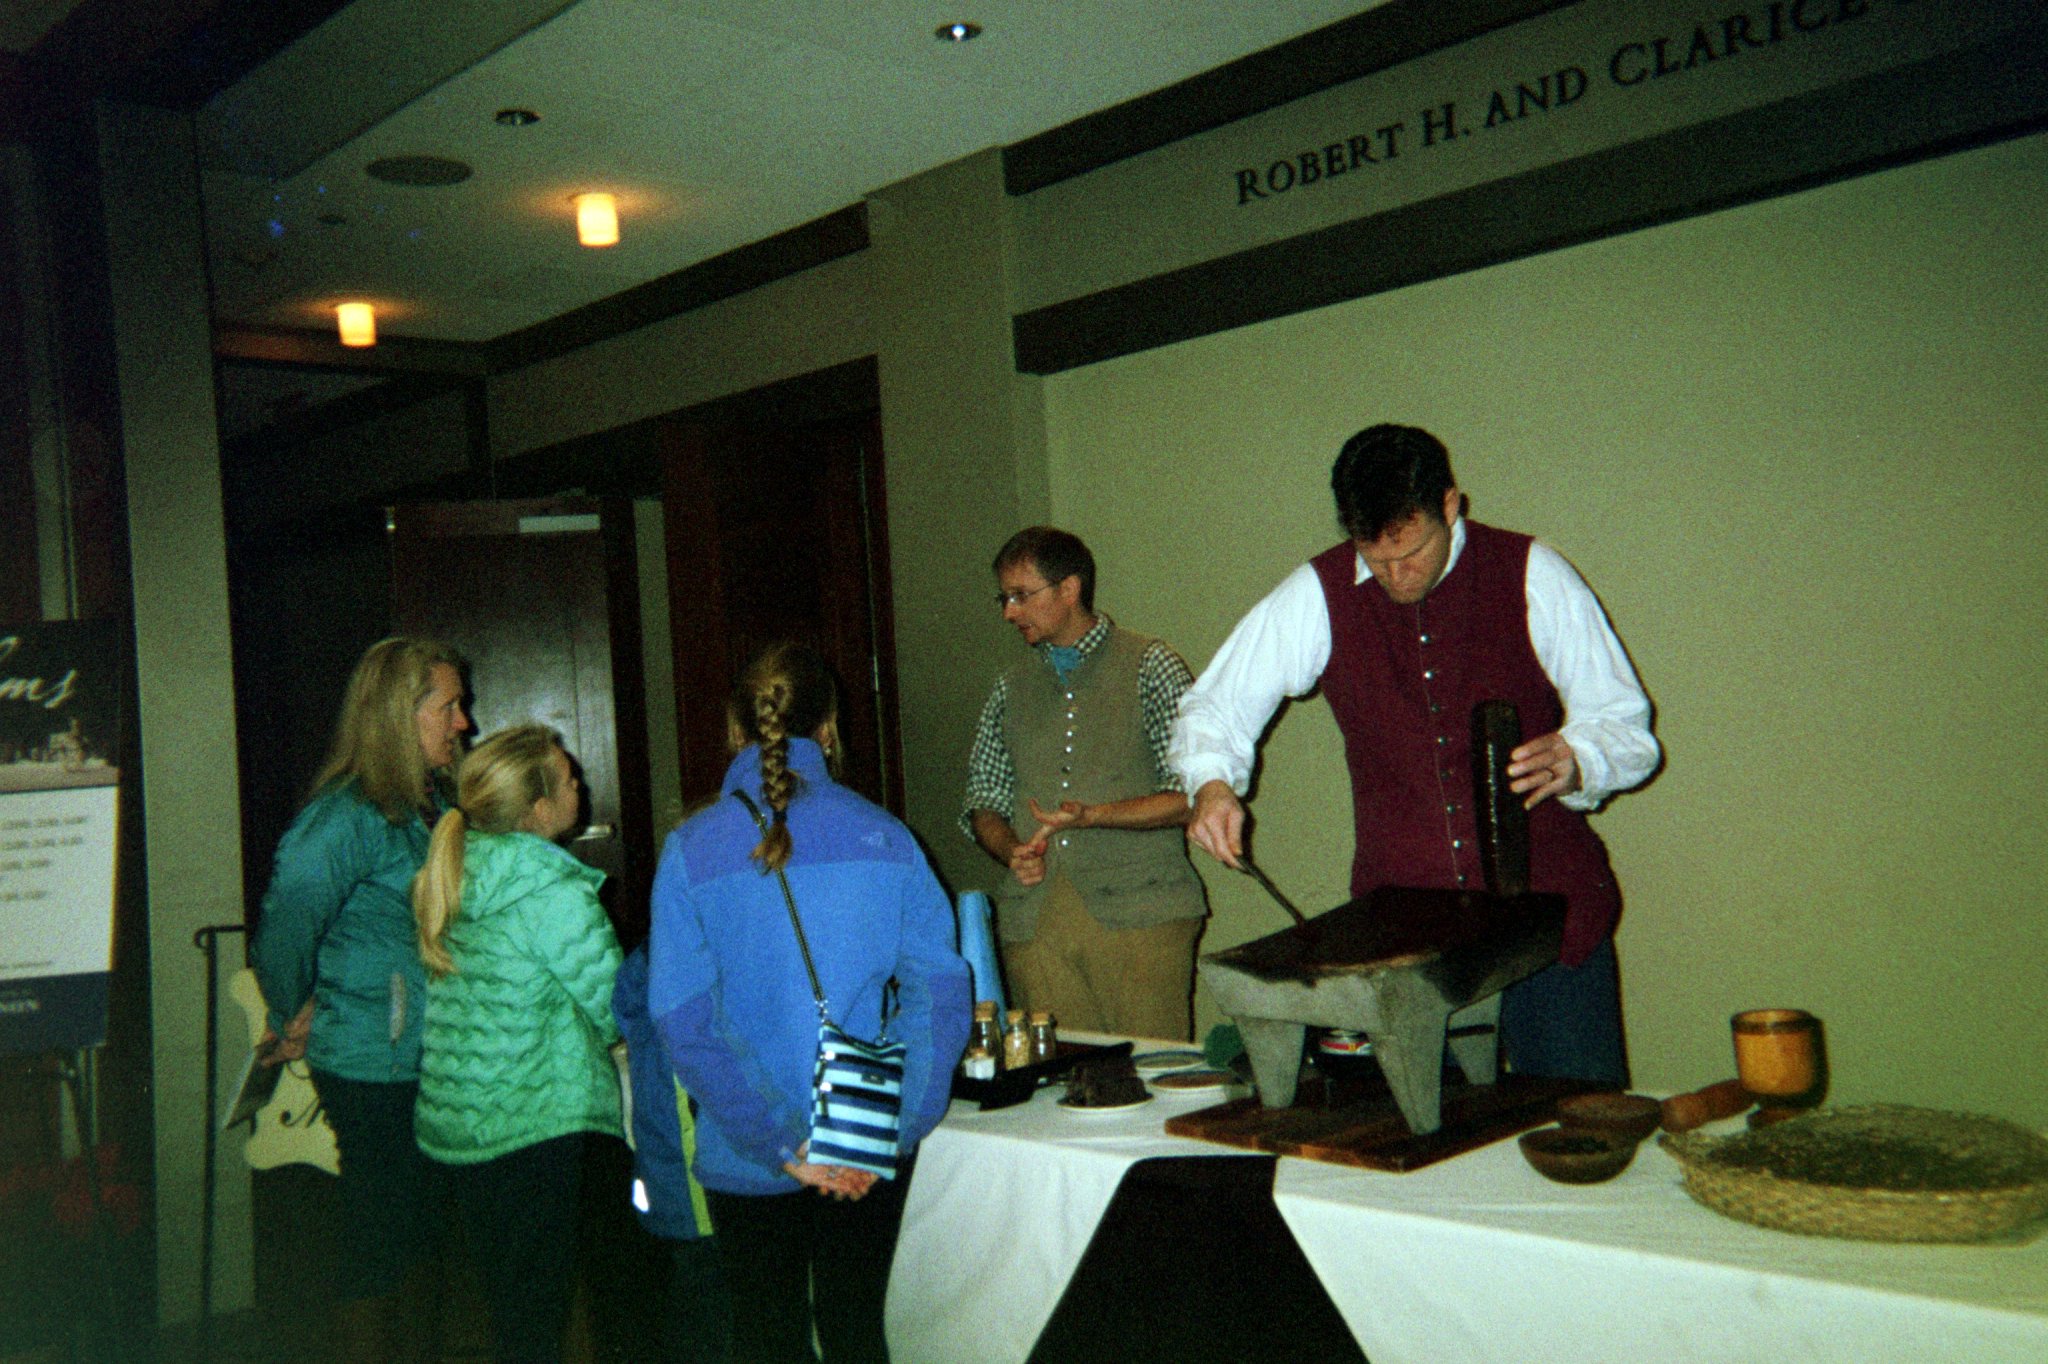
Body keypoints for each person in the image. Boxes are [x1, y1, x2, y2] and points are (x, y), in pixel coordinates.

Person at [1171, 424, 1660, 1084]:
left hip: (1553, 922)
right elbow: (1216, 706)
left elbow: (1626, 727)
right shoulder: (1316, 594)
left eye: (1413, 551)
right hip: (1407, 942)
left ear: (1451, 505)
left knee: (1581, 1136)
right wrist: (1211, 784)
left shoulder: (1532, 572)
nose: (1397, 575)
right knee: (1430, 1159)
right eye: (1376, 558)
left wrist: (1581, 758)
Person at [648, 643, 970, 1363]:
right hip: (864, 1139)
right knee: (858, 1334)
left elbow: (684, 1024)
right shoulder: (888, 838)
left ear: (736, 730)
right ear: (829, 728)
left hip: (747, 1151)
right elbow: (941, 996)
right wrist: (897, 1124)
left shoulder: (691, 850)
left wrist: (782, 1144)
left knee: (766, 1338)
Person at [250, 636, 469, 1362]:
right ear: (400, 716)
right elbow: (286, 923)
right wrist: (291, 1010)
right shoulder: (346, 816)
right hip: (374, 1062)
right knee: (380, 1234)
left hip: (426, 1059)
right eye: (450, 706)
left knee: (419, 1232)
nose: (463, 722)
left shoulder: (427, 805)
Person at [411, 724, 625, 1364]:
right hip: (532, 1123)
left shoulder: (457, 868)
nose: (580, 784)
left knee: (507, 1303)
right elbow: (614, 1007)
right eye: (568, 779)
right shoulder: (551, 892)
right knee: (539, 1309)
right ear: (537, 809)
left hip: (464, 1125)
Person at [961, 527, 1208, 1040]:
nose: (1009, 611)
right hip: (1035, 922)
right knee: (1064, 1089)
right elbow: (982, 801)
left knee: (1152, 1079)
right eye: (1004, 597)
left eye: (1021, 595)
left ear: (1069, 589)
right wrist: (1011, 851)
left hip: (1144, 912)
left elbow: (1191, 794)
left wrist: (1094, 815)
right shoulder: (1009, 686)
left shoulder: (1151, 663)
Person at [612, 941, 731, 1364]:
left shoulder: (648, 964)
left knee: (688, 1303)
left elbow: (621, 1011)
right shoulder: (672, 965)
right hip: (685, 1180)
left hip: (679, 1179)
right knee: (698, 1312)